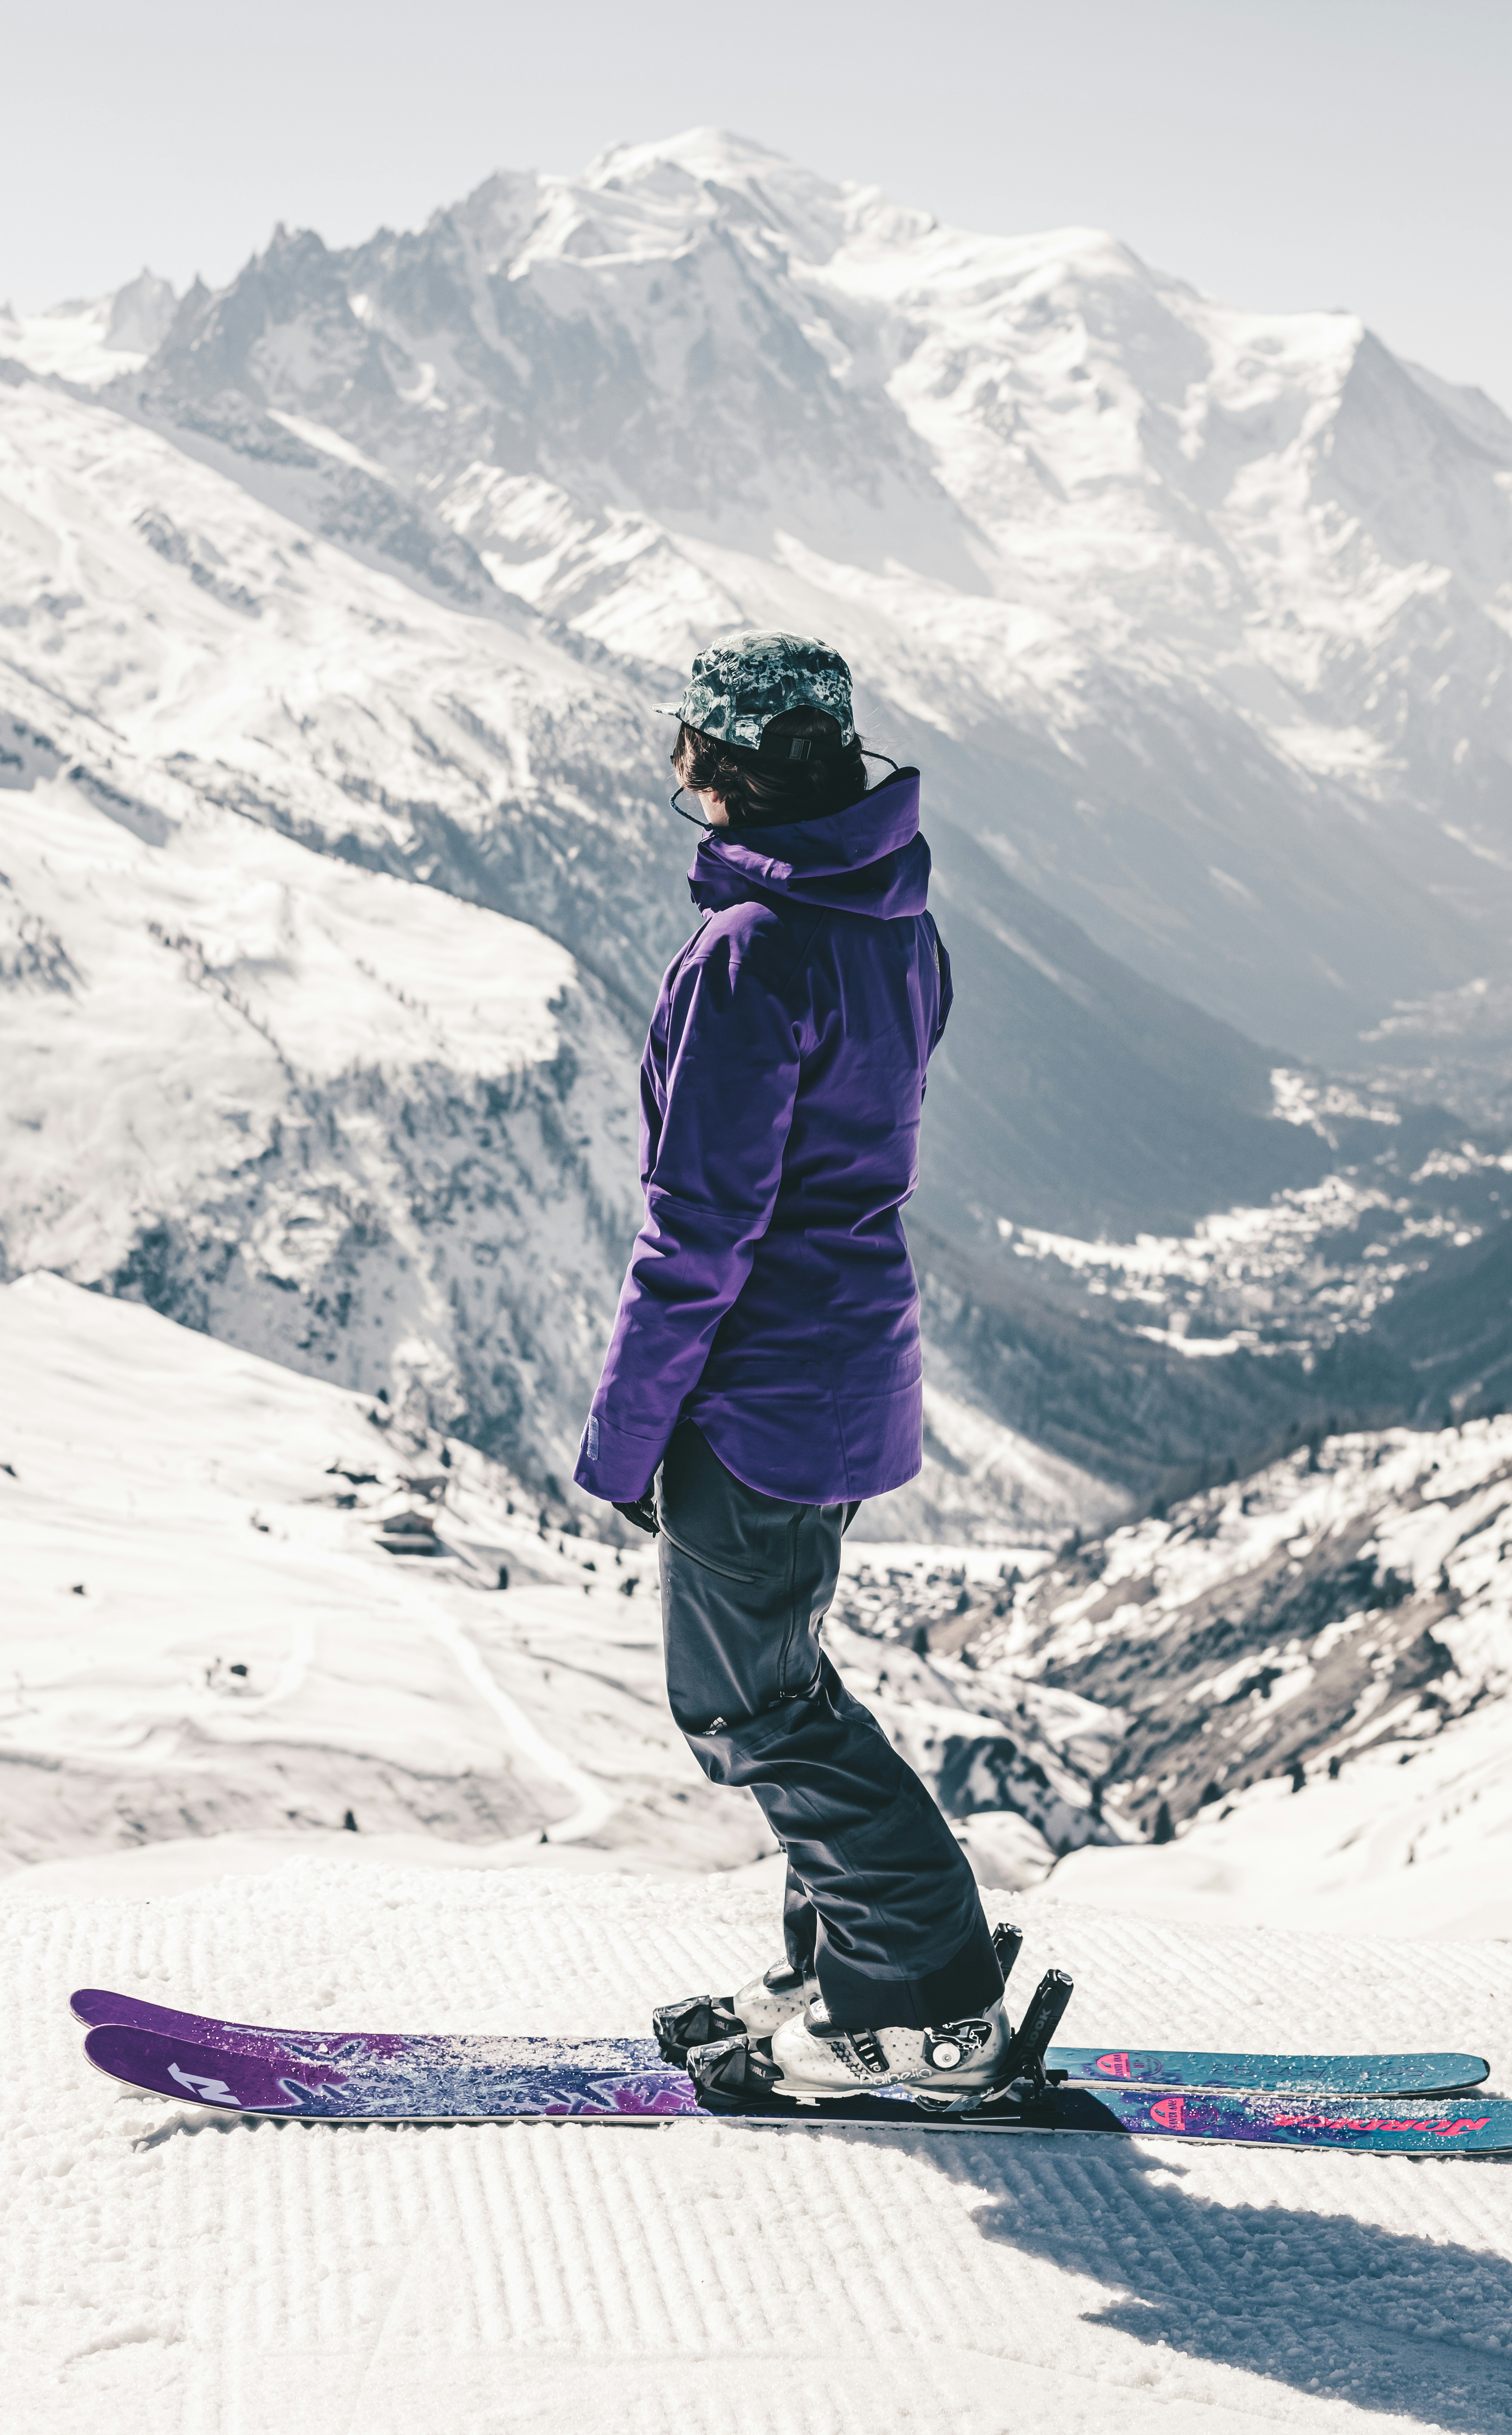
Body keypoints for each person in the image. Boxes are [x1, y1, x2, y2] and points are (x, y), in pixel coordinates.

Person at [572, 628, 1011, 2102]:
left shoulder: (751, 951)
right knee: (787, 1679)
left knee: (745, 1707)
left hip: (755, 1390)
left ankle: (925, 2000)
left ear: (715, 764)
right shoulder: (892, 916)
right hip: (847, 1364)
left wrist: (626, 1439)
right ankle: (843, 1969)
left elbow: (696, 1233)